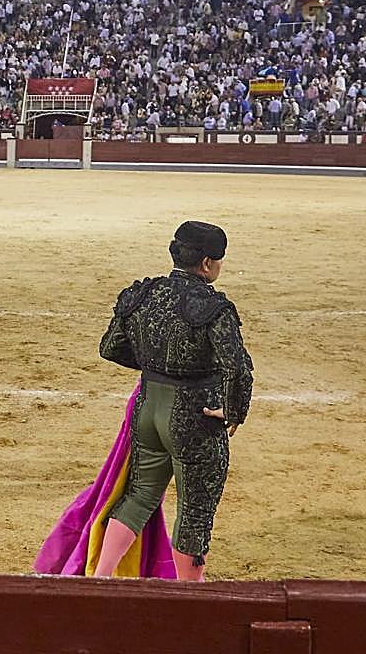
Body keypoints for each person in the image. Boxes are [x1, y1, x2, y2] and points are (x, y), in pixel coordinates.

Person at [91, 221, 254, 581]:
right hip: (194, 418)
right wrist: (234, 409)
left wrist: (156, 364)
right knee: (194, 511)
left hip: (148, 408)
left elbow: (110, 348)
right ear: (208, 263)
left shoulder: (142, 295)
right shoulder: (213, 307)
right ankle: (189, 596)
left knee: (139, 495)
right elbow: (237, 369)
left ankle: (100, 577)